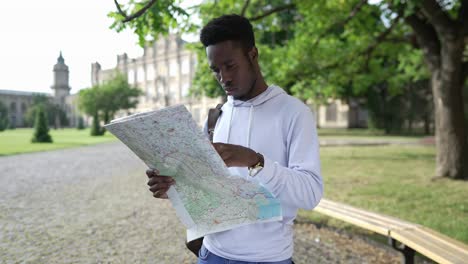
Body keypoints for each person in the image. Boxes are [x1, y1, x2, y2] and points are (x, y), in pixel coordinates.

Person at [146, 14, 323, 264]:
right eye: (215, 70)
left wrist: (255, 161)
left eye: (230, 66)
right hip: (210, 254)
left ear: (253, 55)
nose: (224, 78)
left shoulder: (294, 113)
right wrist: (171, 188)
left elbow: (310, 194)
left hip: (268, 258)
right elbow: (203, 187)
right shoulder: (215, 117)